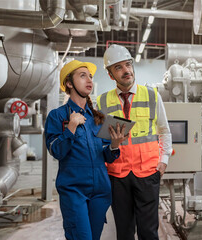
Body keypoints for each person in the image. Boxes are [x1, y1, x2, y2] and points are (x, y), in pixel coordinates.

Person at [44, 60, 127, 240]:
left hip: (100, 191)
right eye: (82, 76)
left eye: (90, 76)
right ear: (69, 83)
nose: (89, 79)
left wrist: (114, 144)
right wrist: (71, 128)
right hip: (74, 191)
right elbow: (56, 151)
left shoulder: (97, 119)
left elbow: (106, 155)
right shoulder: (57, 116)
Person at [97, 44, 173, 240]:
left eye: (128, 65)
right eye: (119, 68)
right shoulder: (102, 102)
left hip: (147, 172)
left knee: (148, 232)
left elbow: (164, 130)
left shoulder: (152, 96)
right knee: (124, 232)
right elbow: (100, 142)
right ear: (111, 75)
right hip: (117, 174)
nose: (126, 71)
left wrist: (163, 160)